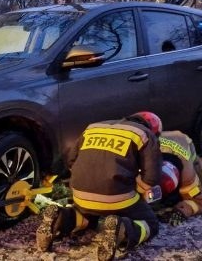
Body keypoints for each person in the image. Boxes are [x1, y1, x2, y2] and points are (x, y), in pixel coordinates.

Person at [36, 112, 162, 261]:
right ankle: (122, 229)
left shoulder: (93, 127)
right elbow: (151, 178)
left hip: (80, 194)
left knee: (87, 216)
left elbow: (70, 159)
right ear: (154, 130)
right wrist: (138, 188)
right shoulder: (145, 135)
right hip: (117, 198)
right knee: (151, 223)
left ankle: (60, 218)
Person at [154, 130, 202, 225]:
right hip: (166, 139)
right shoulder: (146, 161)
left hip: (184, 142)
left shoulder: (188, 178)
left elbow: (200, 202)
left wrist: (182, 211)